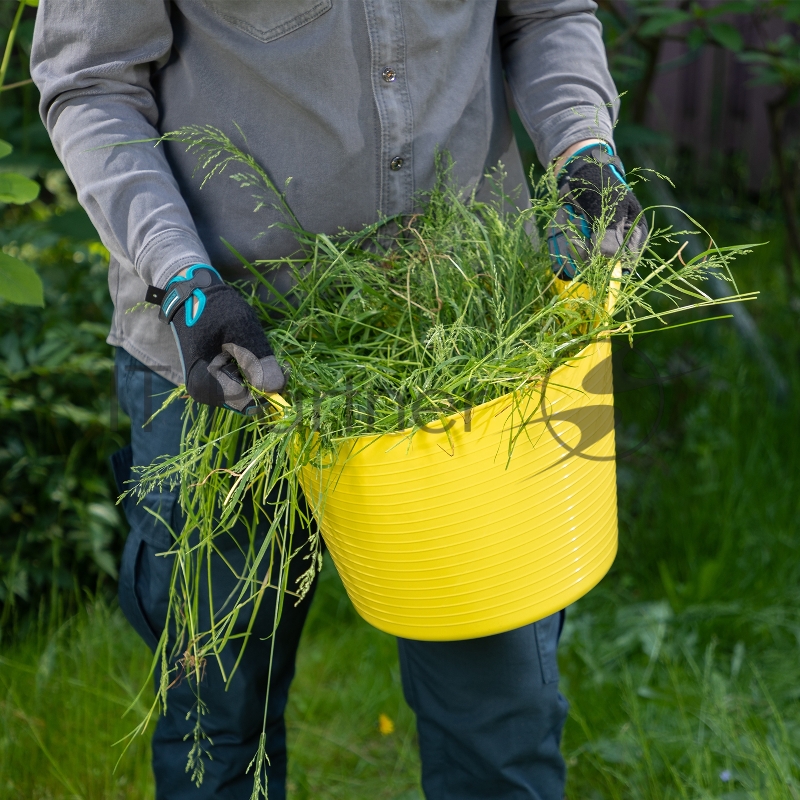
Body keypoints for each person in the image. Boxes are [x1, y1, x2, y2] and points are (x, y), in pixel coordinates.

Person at [31, 2, 645, 798]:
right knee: (217, 719)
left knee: (498, 724)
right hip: (222, 351)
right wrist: (180, 274)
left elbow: (546, 14)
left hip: (463, 345)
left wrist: (583, 148)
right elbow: (92, 83)